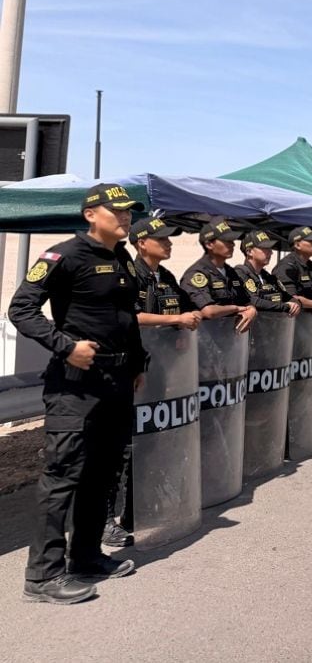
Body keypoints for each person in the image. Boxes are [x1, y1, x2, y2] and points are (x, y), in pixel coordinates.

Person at [8, 183, 146, 604]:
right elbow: (21, 309)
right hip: (75, 385)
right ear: (91, 214)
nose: (125, 218)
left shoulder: (121, 256)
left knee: (102, 474)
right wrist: (67, 346)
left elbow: (127, 316)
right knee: (63, 475)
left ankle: (85, 557)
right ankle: (43, 577)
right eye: (117, 211)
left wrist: (138, 363)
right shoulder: (63, 255)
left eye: (128, 213)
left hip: (117, 383)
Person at [102, 217, 202, 549]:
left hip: (160, 373)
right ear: (142, 242)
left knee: (150, 442)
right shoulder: (129, 273)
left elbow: (188, 310)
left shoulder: (167, 277)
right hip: (130, 371)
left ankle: (137, 510)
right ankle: (105, 521)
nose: (169, 243)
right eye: (162, 239)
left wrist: (184, 329)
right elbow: (129, 315)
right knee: (122, 449)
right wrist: (175, 320)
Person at [179, 217, 258, 333]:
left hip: (230, 339)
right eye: (226, 241)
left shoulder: (230, 272)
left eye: (232, 241)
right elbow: (208, 311)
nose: (232, 245)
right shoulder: (197, 274)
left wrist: (252, 309)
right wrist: (237, 308)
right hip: (205, 342)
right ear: (209, 244)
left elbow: (246, 300)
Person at [235, 230, 301, 318]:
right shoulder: (240, 273)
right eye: (265, 248)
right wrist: (285, 306)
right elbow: (254, 301)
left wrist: (296, 304)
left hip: (273, 327)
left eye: (270, 248)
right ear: (249, 251)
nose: (271, 252)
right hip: (253, 329)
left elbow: (288, 297)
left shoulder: (269, 277)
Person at [273, 226, 312, 317]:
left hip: (307, 320)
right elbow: (290, 298)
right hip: (291, 322)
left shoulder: (309, 266)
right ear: (297, 245)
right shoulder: (286, 266)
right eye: (311, 241)